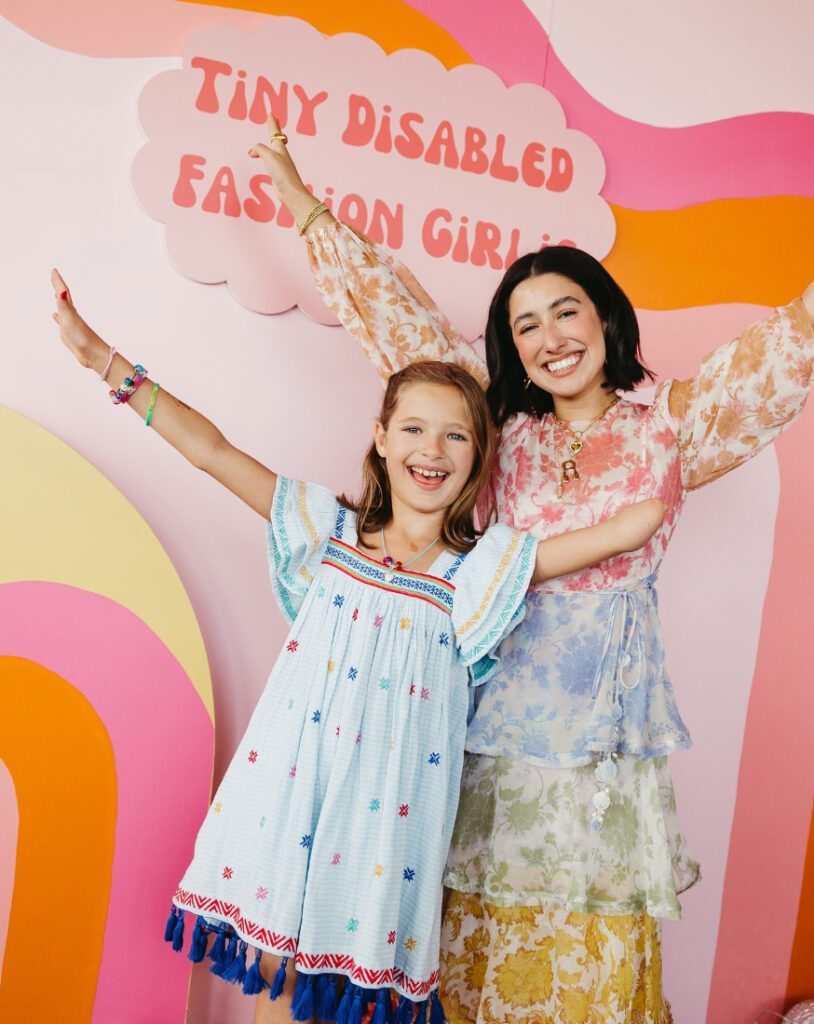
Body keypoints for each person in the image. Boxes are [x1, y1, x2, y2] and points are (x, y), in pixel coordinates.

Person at [249, 117, 814, 1023]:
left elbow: (777, 359)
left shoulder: (669, 423)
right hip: (482, 724)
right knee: (467, 942)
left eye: (565, 310)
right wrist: (305, 203)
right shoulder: (500, 433)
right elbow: (400, 324)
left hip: (600, 741)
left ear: (604, 316)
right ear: (509, 350)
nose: (550, 336)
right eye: (524, 325)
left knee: (586, 961)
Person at [50, 274, 664, 1024]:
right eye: (412, 428)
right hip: (289, 796)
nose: (430, 449)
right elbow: (210, 450)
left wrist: (651, 450)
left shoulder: (477, 575)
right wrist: (101, 360)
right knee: (274, 987)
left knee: (340, 1000)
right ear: (380, 437)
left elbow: (618, 531)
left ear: (478, 460)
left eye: (455, 436)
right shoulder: (325, 535)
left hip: (382, 830)